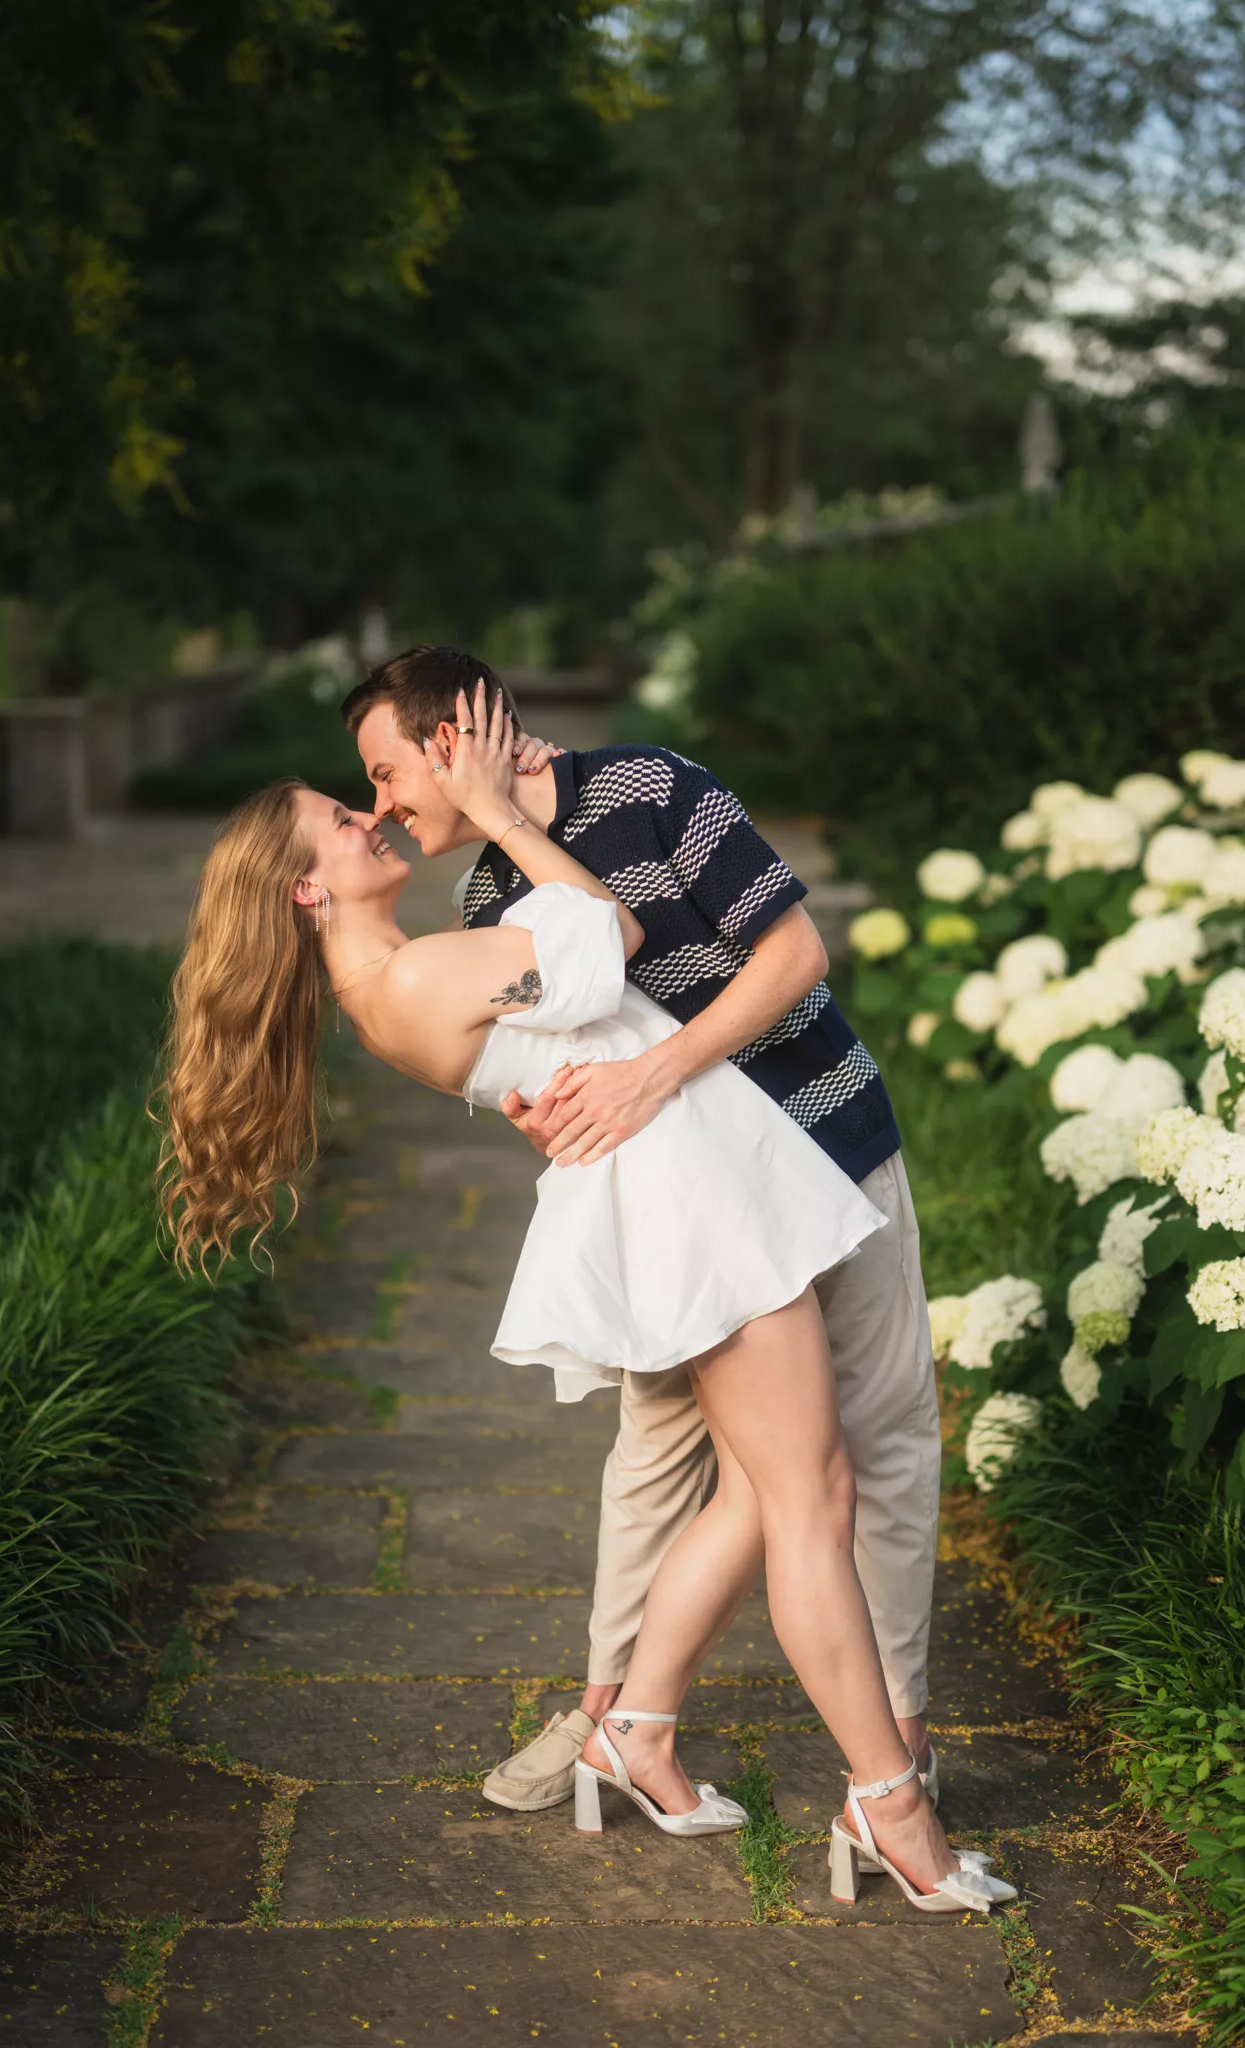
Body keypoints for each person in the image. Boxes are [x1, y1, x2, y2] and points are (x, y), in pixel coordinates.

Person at [159, 683, 1008, 1914]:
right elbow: (604, 932)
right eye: (343, 819)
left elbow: (563, 1017)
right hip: (691, 1197)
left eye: (370, 790)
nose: (371, 819)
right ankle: (891, 1801)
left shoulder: (404, 973)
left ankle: (637, 1732)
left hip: (694, 1172)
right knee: (811, 1491)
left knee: (759, 1486)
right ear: (305, 890)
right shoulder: (416, 975)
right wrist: (503, 813)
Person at [339, 646, 942, 1823]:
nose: (383, 807)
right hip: (695, 1213)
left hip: (830, 1143)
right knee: (656, 1456)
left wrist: (654, 1075)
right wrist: (542, 1111)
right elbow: (564, 1059)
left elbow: (796, 958)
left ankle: (907, 1740)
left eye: (385, 771)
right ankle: (610, 1709)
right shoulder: (490, 902)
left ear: (449, 744)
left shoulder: (653, 790)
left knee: (883, 1441)